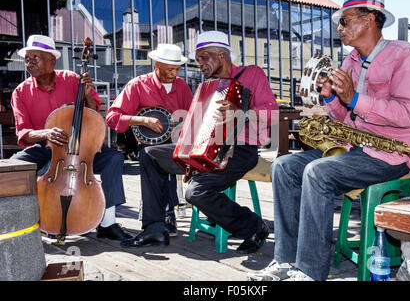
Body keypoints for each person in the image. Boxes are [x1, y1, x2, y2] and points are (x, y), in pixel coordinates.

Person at [247, 0, 410, 281]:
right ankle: (285, 261)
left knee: (318, 173)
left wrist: (355, 98)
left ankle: (309, 271)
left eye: (344, 21)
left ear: (368, 20)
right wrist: (330, 98)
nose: (339, 28)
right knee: (283, 166)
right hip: (354, 149)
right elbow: (344, 117)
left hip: (390, 154)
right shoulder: (351, 60)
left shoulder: (403, 55)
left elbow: (408, 114)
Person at [119, 31, 278, 252]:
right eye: (197, 60)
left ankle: (253, 226)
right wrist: (185, 153)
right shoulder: (207, 87)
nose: (200, 64)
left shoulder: (251, 74)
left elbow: (272, 113)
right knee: (150, 154)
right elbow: (196, 126)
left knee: (195, 193)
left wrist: (241, 112)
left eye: (204, 58)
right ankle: (154, 227)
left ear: (221, 55)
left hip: (240, 150)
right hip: (202, 150)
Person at [10, 35, 132, 241]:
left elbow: (93, 114)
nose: (29, 62)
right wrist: (46, 133)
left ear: (52, 60)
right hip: (43, 146)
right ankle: (29, 222)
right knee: (13, 168)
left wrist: (86, 94)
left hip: (80, 148)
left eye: (35, 57)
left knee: (114, 159)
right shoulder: (20, 92)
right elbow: (23, 133)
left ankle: (108, 223)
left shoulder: (72, 79)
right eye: (27, 58)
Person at [106, 43, 193, 240]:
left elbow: (193, 118)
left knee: (168, 155)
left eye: (177, 68)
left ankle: (167, 214)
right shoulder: (138, 85)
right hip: (148, 144)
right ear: (157, 65)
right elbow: (112, 118)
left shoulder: (182, 86)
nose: (174, 73)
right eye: (170, 68)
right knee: (152, 155)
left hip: (177, 144)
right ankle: (164, 216)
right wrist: (141, 120)